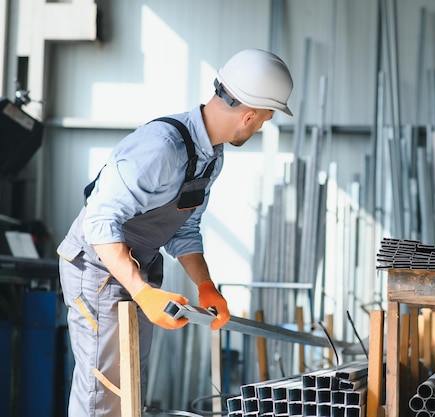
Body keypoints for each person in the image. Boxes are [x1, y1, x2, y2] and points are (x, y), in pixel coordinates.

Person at [57, 48, 294, 416]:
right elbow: (99, 222)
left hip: (140, 267)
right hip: (98, 269)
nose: (260, 126)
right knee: (104, 389)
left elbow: (185, 229)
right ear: (249, 115)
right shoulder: (160, 148)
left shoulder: (210, 157)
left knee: (130, 384)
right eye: (264, 119)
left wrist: (205, 285)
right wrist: (142, 292)